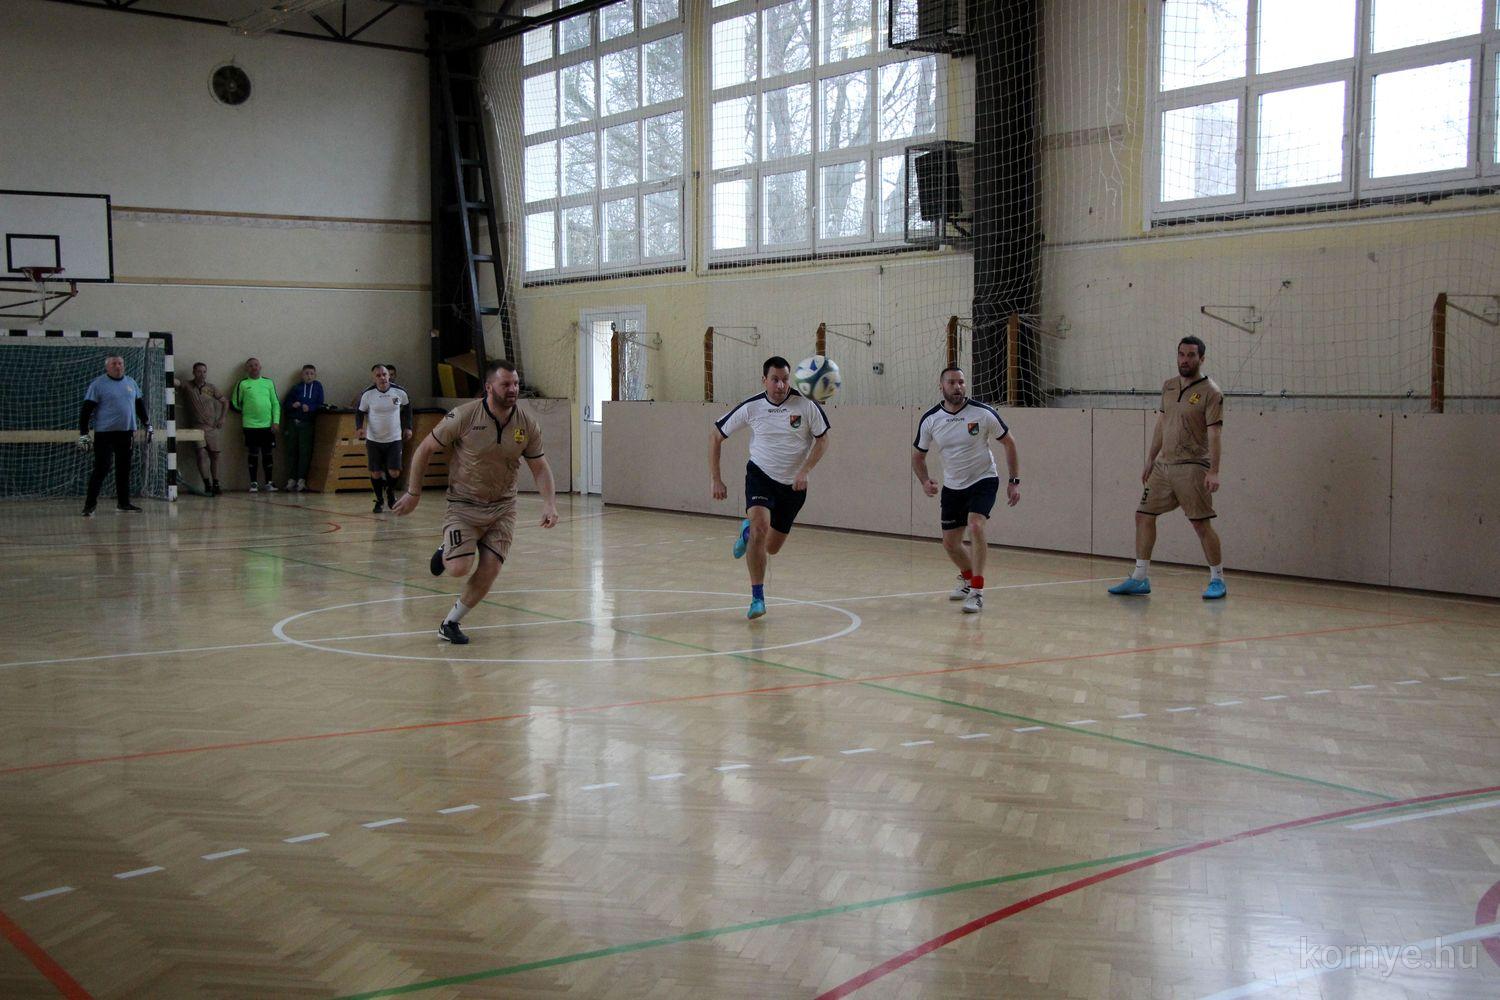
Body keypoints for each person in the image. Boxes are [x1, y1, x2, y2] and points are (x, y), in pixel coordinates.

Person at [393, 359, 558, 644]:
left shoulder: (527, 424)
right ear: (489, 387)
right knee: (458, 568)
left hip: (503, 508)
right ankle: (447, 548)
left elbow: (539, 466)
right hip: (464, 505)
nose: (513, 389)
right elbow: (425, 449)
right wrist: (414, 492)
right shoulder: (464, 416)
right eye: (505, 384)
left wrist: (549, 504)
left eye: (516, 384)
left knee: (491, 568)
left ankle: (450, 623)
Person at [709, 355, 831, 620]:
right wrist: (716, 479)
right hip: (761, 476)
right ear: (764, 380)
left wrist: (805, 470)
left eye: (785, 379)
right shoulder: (751, 407)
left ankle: (746, 533)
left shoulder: (806, 405)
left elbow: (823, 440)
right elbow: (716, 436)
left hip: (793, 487)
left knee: (771, 547)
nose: (780, 385)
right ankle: (757, 598)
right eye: (775, 380)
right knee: (760, 528)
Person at [1108, 335, 1226, 599]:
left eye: (1191, 355)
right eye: (1181, 354)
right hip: (1163, 466)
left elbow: (1215, 434)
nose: (1185, 360)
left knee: (1200, 524)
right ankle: (1140, 578)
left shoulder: (1211, 392)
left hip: (1192, 466)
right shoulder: (1169, 386)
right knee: (1143, 515)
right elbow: (1162, 423)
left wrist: (1214, 470)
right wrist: (1151, 458)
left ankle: (1218, 579)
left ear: (1201, 359)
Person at [912, 366, 1021, 614]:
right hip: (953, 486)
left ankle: (977, 591)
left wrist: (1014, 481)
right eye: (951, 382)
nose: (957, 387)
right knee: (950, 543)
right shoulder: (930, 419)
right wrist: (925, 481)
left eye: (961, 382)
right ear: (941, 386)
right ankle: (968, 578)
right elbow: (918, 456)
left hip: (983, 479)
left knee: (975, 526)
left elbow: (1009, 442)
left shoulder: (983, 413)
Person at [78, 355, 151, 516]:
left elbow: (139, 405)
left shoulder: (131, 382)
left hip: (126, 433)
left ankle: (123, 503)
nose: (118, 366)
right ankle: (89, 505)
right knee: (102, 467)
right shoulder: (98, 384)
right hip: (105, 434)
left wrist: (147, 424)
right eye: (114, 364)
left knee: (124, 468)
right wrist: (84, 433)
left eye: (120, 363)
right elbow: (86, 410)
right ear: (107, 367)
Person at [356, 364, 412, 512]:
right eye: (378, 375)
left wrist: (408, 427)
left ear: (389, 376)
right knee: (376, 473)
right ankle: (379, 499)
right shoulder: (368, 394)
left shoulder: (399, 392)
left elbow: (407, 408)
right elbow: (359, 412)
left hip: (394, 439)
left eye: (384, 374)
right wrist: (359, 428)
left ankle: (390, 492)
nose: (382, 378)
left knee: (394, 471)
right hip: (374, 439)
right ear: (373, 378)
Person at [175, 362, 226, 496]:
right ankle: (206, 483)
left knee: (215, 455)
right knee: (201, 453)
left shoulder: (211, 388)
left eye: (204, 371)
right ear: (194, 372)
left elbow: (224, 401)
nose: (202, 374)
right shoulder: (188, 385)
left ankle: (216, 483)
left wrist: (222, 418)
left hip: (211, 427)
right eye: (199, 371)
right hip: (197, 428)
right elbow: (176, 383)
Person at [230, 358, 281, 492]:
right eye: (251, 366)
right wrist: (247, 411)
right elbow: (234, 403)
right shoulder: (242, 384)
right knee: (253, 453)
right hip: (250, 426)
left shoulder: (268, 382)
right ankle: (253, 483)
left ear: (260, 367)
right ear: (247, 369)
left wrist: (276, 422)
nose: (254, 367)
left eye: (256, 365)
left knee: (267, 454)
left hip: (267, 426)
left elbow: (275, 403)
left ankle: (269, 483)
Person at [283, 364, 324, 492]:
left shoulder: (318, 387)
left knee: (304, 452)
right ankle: (291, 479)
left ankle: (302, 479)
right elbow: (286, 404)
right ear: (302, 375)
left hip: (307, 423)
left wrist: (310, 408)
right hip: (293, 423)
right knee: (292, 451)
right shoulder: (296, 388)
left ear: (315, 375)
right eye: (306, 373)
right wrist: (293, 405)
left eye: (311, 373)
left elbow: (320, 404)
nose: (309, 376)